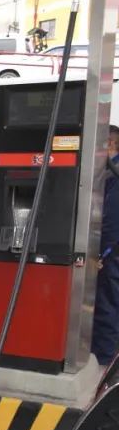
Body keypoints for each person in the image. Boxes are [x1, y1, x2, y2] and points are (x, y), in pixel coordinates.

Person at [91, 125, 119, 366]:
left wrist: (100, 253)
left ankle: (103, 364)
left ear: (109, 144)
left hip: (113, 254)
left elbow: (111, 220)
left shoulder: (116, 173)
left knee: (106, 307)